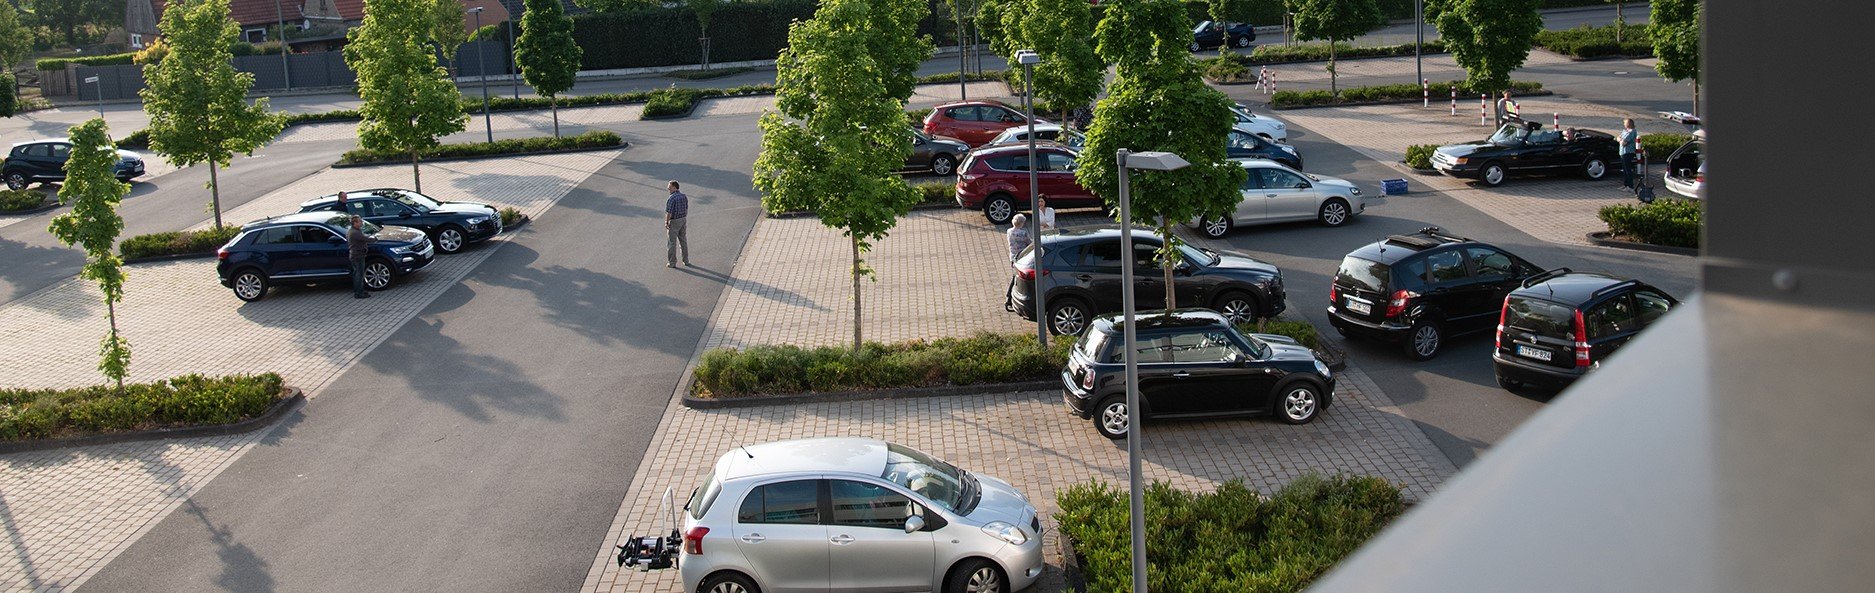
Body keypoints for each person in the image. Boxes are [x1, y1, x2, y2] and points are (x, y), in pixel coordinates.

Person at [347, 215, 375, 299]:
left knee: (358, 273)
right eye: (360, 221)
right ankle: (359, 293)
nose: (362, 222)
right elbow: (365, 239)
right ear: (355, 223)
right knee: (359, 274)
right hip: (357, 256)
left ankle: (360, 290)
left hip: (356, 255)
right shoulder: (354, 232)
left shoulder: (353, 230)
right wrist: (375, 239)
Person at [665, 180, 690, 267]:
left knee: (671, 242)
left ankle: (672, 262)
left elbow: (669, 212)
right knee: (683, 240)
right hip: (683, 219)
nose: (668, 189)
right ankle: (686, 260)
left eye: (669, 188)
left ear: (675, 187)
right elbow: (686, 209)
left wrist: (667, 222)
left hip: (674, 221)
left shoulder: (671, 198)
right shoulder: (684, 196)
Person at [1618, 118, 1639, 191]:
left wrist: (1621, 140)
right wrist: (1621, 140)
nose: (1624, 124)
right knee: (1624, 169)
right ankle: (1625, 184)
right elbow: (1618, 138)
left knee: (1628, 169)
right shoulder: (1625, 131)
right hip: (1622, 152)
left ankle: (1630, 186)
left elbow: (1625, 142)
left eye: (1625, 123)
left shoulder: (1632, 132)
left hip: (1628, 152)